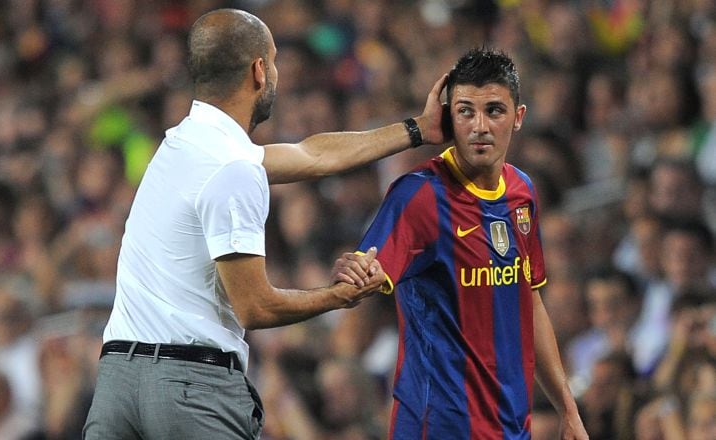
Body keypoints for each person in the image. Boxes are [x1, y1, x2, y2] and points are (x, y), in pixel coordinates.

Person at [82, 8, 449, 440]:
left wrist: (417, 129)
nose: (275, 72)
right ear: (259, 70)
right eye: (273, 61)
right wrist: (338, 296)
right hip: (189, 392)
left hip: (116, 386)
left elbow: (314, 155)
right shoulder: (233, 168)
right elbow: (255, 307)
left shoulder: (183, 142)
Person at [333, 48, 588, 439]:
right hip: (436, 426)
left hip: (511, 426)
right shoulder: (418, 195)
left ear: (518, 118)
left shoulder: (522, 192)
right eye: (466, 111)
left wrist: (568, 411)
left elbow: (529, 301)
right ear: (448, 116)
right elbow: (364, 275)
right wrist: (350, 276)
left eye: (494, 111)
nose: (479, 126)